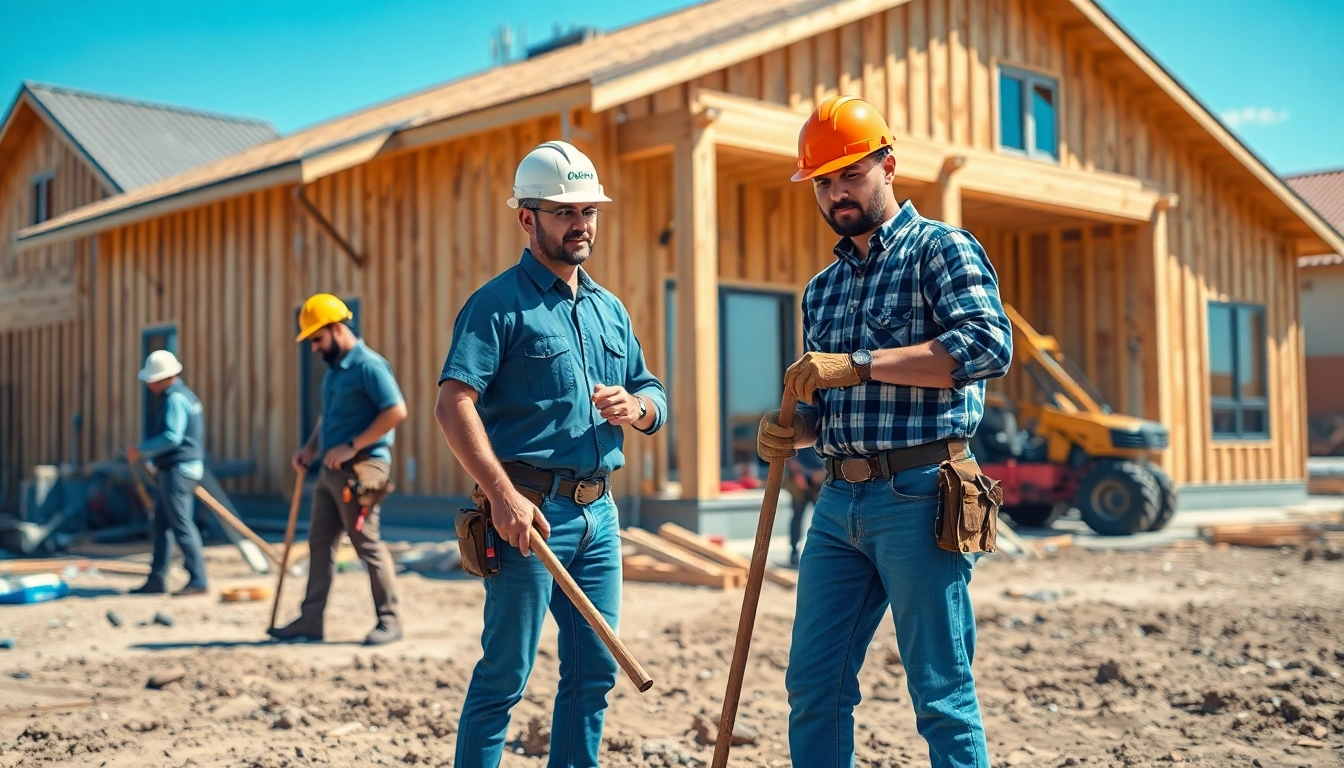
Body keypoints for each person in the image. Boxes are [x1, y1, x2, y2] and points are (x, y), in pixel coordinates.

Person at [756, 95, 1012, 767]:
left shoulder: (942, 250)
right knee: (813, 686)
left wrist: (860, 364)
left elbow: (986, 348)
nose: (837, 191)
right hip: (839, 503)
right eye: (824, 180)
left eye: (851, 173)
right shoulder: (823, 289)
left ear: (889, 166)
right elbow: (836, 406)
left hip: (922, 493)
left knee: (941, 693)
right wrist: (796, 430)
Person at [435, 140, 667, 768]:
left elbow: (653, 390)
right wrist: (504, 498)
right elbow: (453, 405)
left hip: (600, 517)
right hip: (529, 519)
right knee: (504, 677)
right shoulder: (496, 306)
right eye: (565, 212)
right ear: (526, 218)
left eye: (588, 211)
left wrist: (637, 408)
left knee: (593, 675)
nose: (581, 224)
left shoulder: (609, 309)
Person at [269, 293, 408, 647]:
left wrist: (354, 445)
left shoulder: (369, 366)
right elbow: (327, 417)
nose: (314, 347)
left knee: (367, 545)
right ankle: (310, 621)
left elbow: (395, 411)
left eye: (317, 339)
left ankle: (389, 621)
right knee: (319, 542)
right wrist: (310, 448)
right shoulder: (334, 371)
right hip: (332, 469)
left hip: (362, 469)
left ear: (336, 329)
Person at [126, 350, 209, 596]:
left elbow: (172, 436)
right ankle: (157, 578)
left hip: (177, 471)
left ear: (162, 378)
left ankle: (198, 579)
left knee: (181, 524)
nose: (149, 384)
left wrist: (141, 450)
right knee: (162, 524)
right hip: (179, 468)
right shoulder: (187, 397)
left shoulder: (174, 399)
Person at [783, 447, 825, 567]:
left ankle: (822, 551)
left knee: (822, 517)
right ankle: (794, 550)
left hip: (818, 477)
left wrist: (822, 474)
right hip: (799, 478)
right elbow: (789, 454)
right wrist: (797, 474)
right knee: (797, 517)